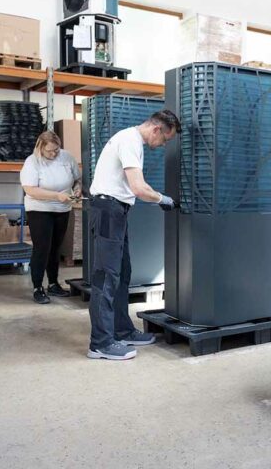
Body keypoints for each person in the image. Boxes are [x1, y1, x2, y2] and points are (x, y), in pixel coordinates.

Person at [86, 109, 180, 361]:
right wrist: (164, 199)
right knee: (106, 277)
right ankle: (101, 343)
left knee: (122, 273)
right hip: (108, 210)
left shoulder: (131, 140)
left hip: (116, 211)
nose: (161, 146)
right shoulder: (129, 140)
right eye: (165, 140)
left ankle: (122, 330)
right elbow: (139, 188)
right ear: (156, 129)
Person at [20, 131, 81, 304]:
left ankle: (53, 284)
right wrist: (56, 196)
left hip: (62, 209)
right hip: (39, 209)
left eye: (57, 150)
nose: (54, 154)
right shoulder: (32, 162)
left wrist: (77, 188)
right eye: (50, 151)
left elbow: (77, 179)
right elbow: (30, 190)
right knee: (42, 248)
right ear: (40, 147)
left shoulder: (66, 157)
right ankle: (37, 287)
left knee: (55, 248)